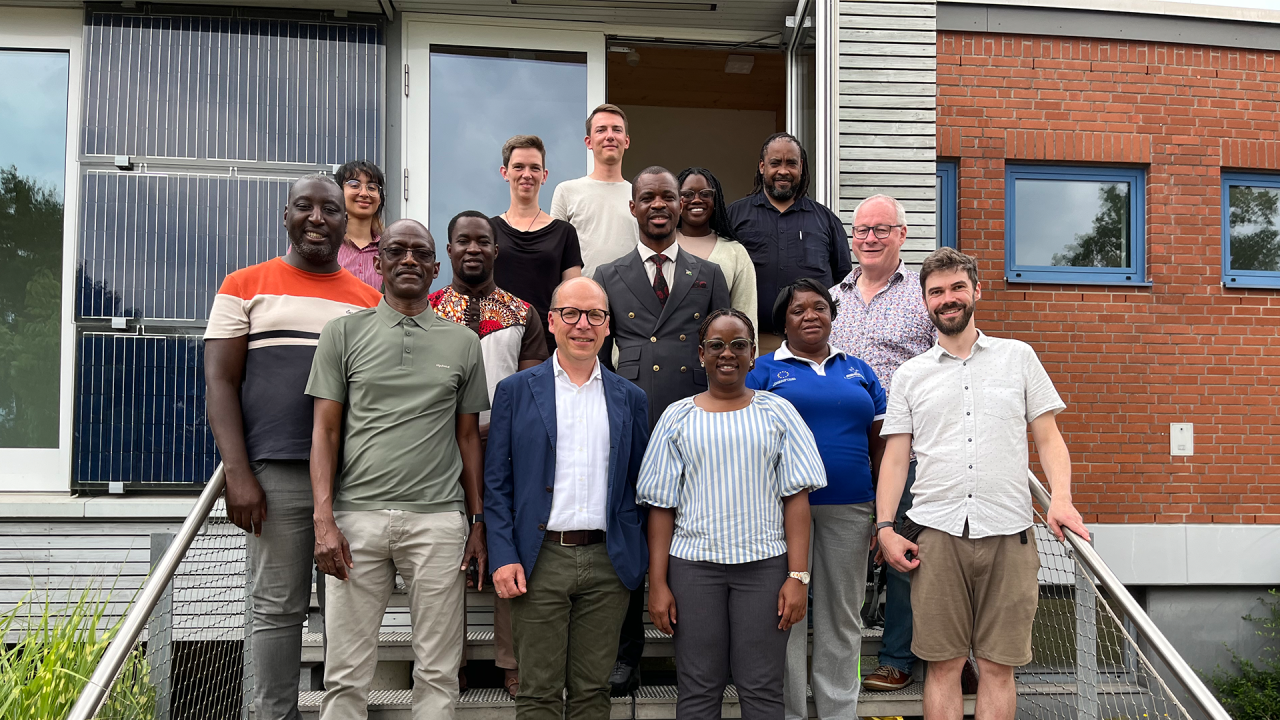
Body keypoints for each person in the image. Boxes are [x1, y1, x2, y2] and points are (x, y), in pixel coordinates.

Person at [876, 248, 1091, 720]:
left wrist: (1061, 500)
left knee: (998, 667)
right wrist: (885, 527)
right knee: (943, 665)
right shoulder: (910, 375)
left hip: (1009, 533)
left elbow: (1049, 439)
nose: (947, 299)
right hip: (936, 536)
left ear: (976, 290)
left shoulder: (1020, 357)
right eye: (937, 292)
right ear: (925, 302)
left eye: (957, 288)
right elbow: (894, 460)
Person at [204, 175, 383, 720]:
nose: (317, 218)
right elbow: (219, 382)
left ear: (344, 219)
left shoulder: (369, 301)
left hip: (352, 476)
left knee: (346, 611)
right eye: (304, 207)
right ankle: (272, 714)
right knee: (277, 608)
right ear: (286, 215)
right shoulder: (244, 284)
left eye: (329, 210)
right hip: (274, 474)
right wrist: (237, 473)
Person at [306, 219, 489, 720]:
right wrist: (324, 521)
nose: (408, 260)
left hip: (438, 522)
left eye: (419, 253)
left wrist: (477, 523)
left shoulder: (463, 342)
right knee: (344, 673)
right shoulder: (343, 334)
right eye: (397, 251)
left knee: (437, 670)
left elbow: (468, 436)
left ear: (435, 267)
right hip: (355, 520)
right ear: (379, 263)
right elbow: (323, 432)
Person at [640, 308, 827, 720]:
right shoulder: (676, 417)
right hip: (693, 570)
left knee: (761, 689)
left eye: (739, 345)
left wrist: (798, 577)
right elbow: (661, 507)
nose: (728, 353)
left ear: (754, 353)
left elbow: (797, 500)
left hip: (763, 569)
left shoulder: (778, 413)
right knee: (697, 688)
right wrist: (658, 583)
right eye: (717, 345)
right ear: (701, 354)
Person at [484, 276, 651, 720]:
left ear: (608, 325)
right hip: (539, 559)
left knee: (593, 692)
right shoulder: (516, 391)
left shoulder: (630, 398)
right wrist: (502, 555)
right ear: (552, 321)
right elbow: (497, 483)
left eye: (595, 315)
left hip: (607, 562)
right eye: (572, 314)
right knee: (537, 692)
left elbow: (640, 485)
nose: (583, 325)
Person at [593, 166, 730, 693]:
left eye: (667, 197)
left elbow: (721, 353)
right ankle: (624, 656)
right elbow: (598, 356)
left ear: (681, 207)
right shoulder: (608, 274)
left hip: (694, 422)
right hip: (630, 420)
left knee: (695, 540)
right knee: (628, 540)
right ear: (633, 207)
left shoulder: (708, 272)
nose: (657, 205)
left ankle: (700, 656)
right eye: (646, 196)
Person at [747, 278, 886, 720]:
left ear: (832, 315)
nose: (810, 315)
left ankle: (838, 712)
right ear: (783, 322)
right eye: (798, 309)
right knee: (787, 615)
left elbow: (881, 446)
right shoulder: (763, 371)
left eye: (819, 307)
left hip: (852, 509)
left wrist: (882, 518)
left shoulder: (860, 370)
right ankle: (789, 712)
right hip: (783, 511)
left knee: (843, 618)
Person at [429, 210, 549, 698]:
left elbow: (533, 388)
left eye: (483, 241)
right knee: (444, 550)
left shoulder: (523, 313)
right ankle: (447, 662)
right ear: (450, 251)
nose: (473, 249)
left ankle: (511, 660)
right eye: (463, 241)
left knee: (506, 544)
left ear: (496, 251)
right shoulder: (427, 308)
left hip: (503, 444)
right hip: (437, 441)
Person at [827, 194, 938, 693]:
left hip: (905, 448)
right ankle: (833, 660)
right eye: (862, 230)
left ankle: (897, 658)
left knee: (901, 553)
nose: (869, 238)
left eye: (881, 229)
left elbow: (950, 363)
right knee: (842, 550)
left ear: (902, 235)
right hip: (844, 449)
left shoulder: (924, 294)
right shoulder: (832, 298)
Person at [727, 132, 852, 354]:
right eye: (775, 163)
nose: (783, 171)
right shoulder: (735, 216)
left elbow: (844, 284)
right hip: (752, 344)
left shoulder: (826, 221)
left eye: (791, 163)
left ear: (801, 167)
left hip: (813, 347)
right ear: (762, 166)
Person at [492, 135, 584, 354]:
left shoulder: (565, 233)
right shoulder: (488, 230)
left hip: (548, 344)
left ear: (544, 176)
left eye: (534, 168)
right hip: (496, 340)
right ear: (505, 173)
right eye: (518, 167)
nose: (527, 174)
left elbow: (573, 297)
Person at [551, 104, 639, 278]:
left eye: (616, 130)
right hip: (581, 300)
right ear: (588, 142)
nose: (610, 136)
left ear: (626, 141)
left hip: (631, 300)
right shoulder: (566, 191)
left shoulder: (640, 195)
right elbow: (555, 253)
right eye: (601, 130)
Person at [675, 166, 758, 334]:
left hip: (719, 354)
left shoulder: (735, 252)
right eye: (687, 195)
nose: (697, 200)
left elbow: (746, 314)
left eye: (705, 194)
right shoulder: (660, 246)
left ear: (716, 200)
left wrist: (748, 358)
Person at [334, 160, 387, 289]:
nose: (364, 193)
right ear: (338, 193)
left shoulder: (390, 250)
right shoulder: (324, 245)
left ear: (379, 199)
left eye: (372, 187)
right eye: (354, 185)